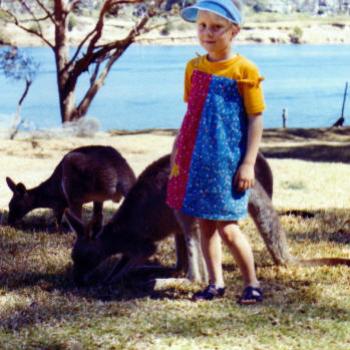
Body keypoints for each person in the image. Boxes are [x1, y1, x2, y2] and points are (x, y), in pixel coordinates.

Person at [166, 0, 265, 304]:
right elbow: (192, 116)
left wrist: (248, 163)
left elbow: (255, 116)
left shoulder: (244, 70)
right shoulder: (193, 68)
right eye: (202, 26)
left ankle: (252, 284)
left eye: (216, 27)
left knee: (229, 228)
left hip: (227, 162)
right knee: (205, 226)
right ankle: (215, 284)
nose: (207, 33)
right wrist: (176, 156)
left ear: (234, 31)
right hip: (196, 160)